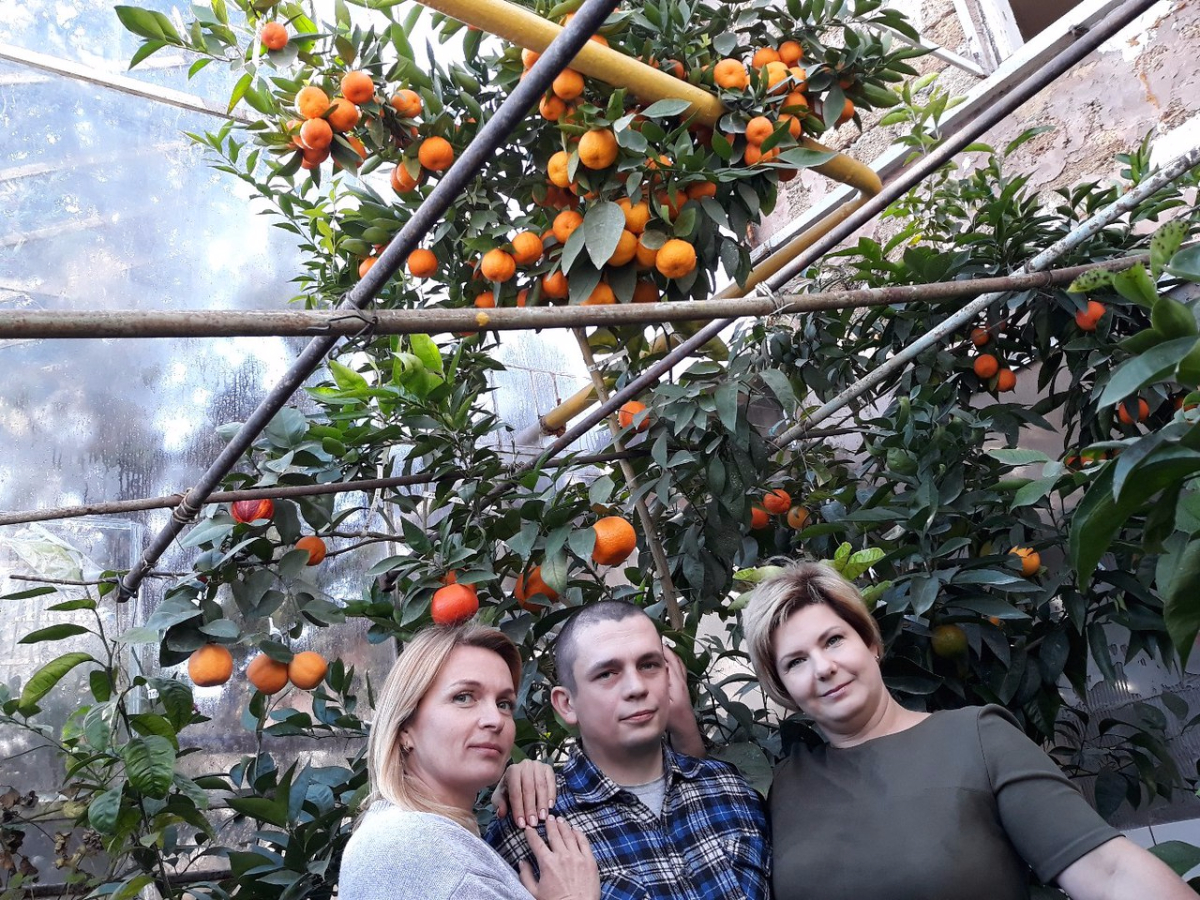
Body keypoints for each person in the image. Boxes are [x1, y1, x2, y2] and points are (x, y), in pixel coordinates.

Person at [740, 560, 1195, 900]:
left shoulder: (976, 737)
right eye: (795, 662)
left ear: (871, 643)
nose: (823, 667)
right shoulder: (786, 785)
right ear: (783, 688)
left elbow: (1108, 871)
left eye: (834, 639)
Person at [485, 600, 771, 900]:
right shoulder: (531, 828)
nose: (636, 687)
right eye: (607, 673)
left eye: (649, 665)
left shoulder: (731, 790)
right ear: (567, 704)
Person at [339, 623, 600, 900]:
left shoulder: (412, 835)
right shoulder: (416, 849)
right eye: (463, 697)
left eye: (504, 704)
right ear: (405, 727)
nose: (495, 719)